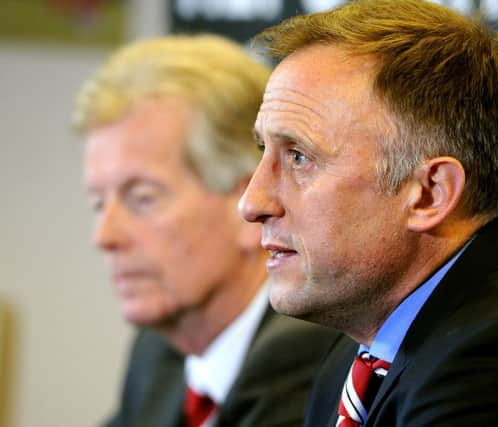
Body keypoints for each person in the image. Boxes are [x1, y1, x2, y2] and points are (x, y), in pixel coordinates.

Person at [238, 1, 498, 425]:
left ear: (430, 193)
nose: (252, 202)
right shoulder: (358, 359)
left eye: (299, 157)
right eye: (265, 150)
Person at [73, 34, 337, 427]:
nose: (105, 237)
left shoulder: (305, 356)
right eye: (99, 203)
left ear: (248, 205)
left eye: (141, 198)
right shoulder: (159, 352)